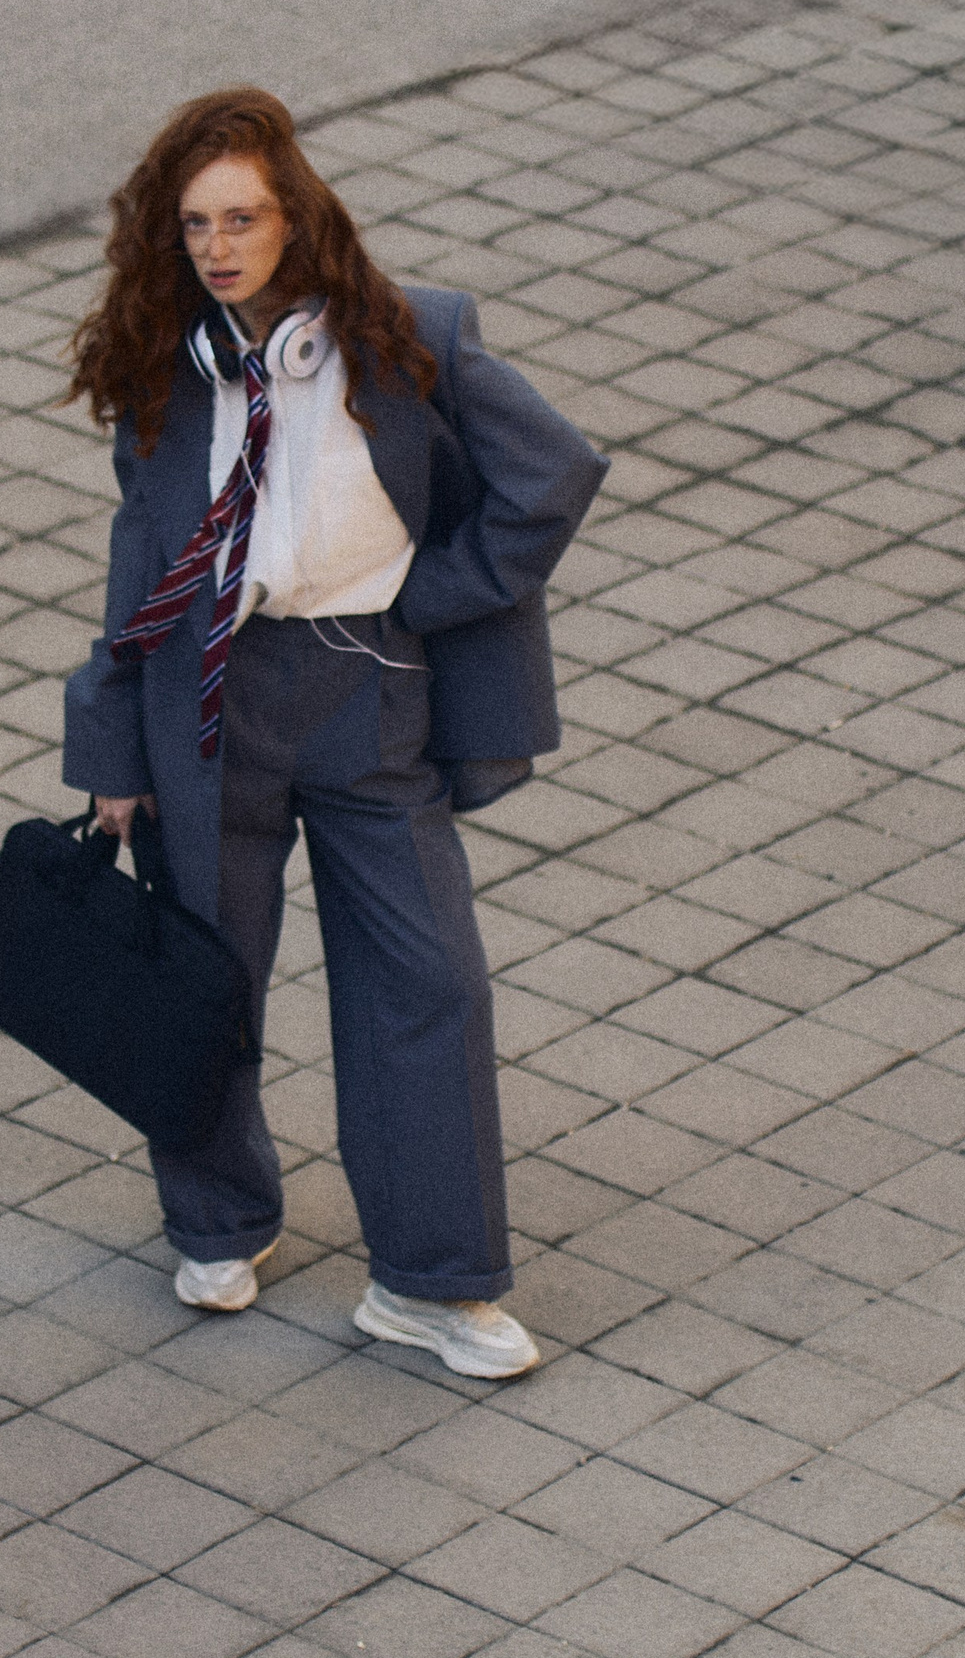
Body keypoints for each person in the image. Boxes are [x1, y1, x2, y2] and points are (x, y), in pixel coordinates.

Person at [62, 87, 607, 1380]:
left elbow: (555, 472)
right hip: (208, 706)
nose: (217, 244)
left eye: (242, 215)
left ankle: (434, 1284)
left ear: (296, 214)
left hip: (369, 694)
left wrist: (438, 594)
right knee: (202, 984)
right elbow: (140, 569)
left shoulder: (415, 339)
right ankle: (216, 1220)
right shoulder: (165, 374)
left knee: (429, 984)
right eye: (194, 223)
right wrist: (110, 757)